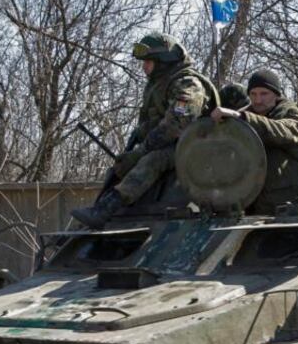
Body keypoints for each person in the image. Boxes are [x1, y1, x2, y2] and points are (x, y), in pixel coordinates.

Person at [72, 33, 216, 229]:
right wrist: (136, 142)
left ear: (163, 61)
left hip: (195, 147)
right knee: (122, 164)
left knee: (152, 160)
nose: (144, 67)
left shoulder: (188, 85)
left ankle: (106, 210)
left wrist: (141, 151)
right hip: (170, 145)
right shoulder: (159, 84)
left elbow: (177, 122)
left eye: (149, 61)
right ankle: (98, 213)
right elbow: (154, 121)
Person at [211, 69, 298, 214]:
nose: (258, 100)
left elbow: (282, 131)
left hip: (290, 204)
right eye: (253, 94)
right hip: (250, 203)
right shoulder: (241, 117)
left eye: (264, 94)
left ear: (276, 95)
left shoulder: (293, 114)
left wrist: (242, 118)